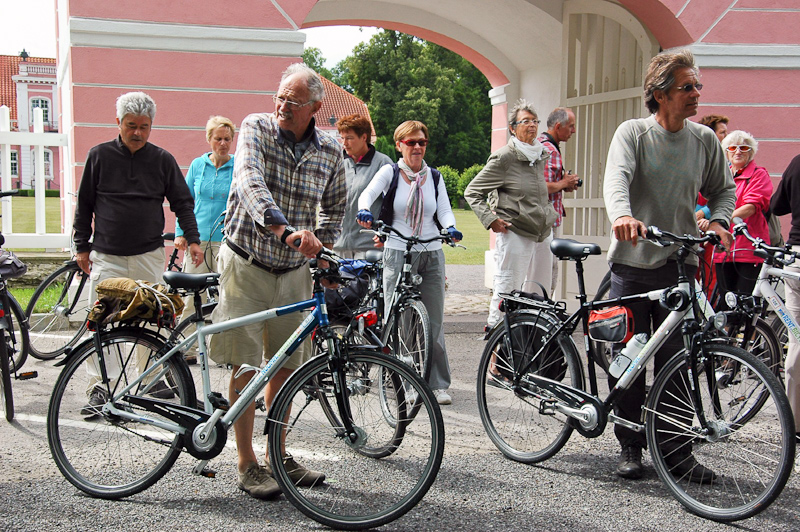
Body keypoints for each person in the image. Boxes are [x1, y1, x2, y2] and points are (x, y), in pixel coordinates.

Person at [208, 63, 346, 500]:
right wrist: (285, 231)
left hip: (293, 273)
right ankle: (247, 461)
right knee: (246, 364)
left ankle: (278, 454)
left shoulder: (330, 148)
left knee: (286, 367)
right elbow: (249, 183)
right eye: (280, 96)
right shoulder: (256, 128)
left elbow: (337, 205)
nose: (283, 105)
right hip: (247, 261)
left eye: (293, 100)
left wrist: (319, 245)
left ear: (315, 107)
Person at [603, 49, 735, 481]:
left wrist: (719, 221)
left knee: (679, 361)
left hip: (680, 265)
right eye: (686, 87)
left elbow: (723, 190)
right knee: (631, 359)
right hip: (633, 263)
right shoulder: (633, 133)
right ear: (659, 94)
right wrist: (621, 215)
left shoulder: (704, 140)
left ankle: (676, 452)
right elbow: (616, 178)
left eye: (698, 85)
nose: (696, 93)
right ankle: (629, 446)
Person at [73, 91, 203, 414]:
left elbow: (182, 202)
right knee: (102, 322)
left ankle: (150, 380)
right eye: (131, 125)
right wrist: (81, 245)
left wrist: (194, 239)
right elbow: (84, 204)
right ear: (117, 122)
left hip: (147, 255)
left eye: (144, 127)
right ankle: (100, 388)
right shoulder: (98, 156)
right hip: (107, 255)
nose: (137, 133)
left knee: (154, 320)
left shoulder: (162, 160)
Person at [356, 120, 462, 406]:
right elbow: (367, 194)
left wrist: (450, 228)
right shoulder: (389, 173)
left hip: (430, 252)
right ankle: (406, 381)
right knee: (401, 321)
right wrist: (364, 210)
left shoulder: (434, 177)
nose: (417, 147)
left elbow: (444, 210)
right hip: (397, 251)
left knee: (434, 320)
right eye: (411, 142)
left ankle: (437, 383)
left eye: (422, 142)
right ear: (399, 144)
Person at [464, 99, 558, 328]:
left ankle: (530, 346)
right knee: (507, 292)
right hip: (516, 232)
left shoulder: (539, 155)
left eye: (535, 121)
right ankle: (496, 350)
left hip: (542, 234)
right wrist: (491, 220)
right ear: (512, 128)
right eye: (525, 121)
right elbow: (472, 192)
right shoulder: (505, 156)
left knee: (538, 294)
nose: (532, 126)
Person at [174, 115, 236, 363]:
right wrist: (182, 234)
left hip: (226, 241)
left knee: (226, 298)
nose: (223, 143)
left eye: (227, 139)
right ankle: (187, 350)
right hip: (197, 241)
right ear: (209, 139)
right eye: (218, 138)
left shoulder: (237, 166)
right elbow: (185, 202)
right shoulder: (198, 166)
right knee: (192, 298)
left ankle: (222, 352)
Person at [707, 131, 772, 307]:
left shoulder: (758, 174)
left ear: (750, 152)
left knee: (744, 304)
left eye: (743, 147)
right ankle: (727, 334)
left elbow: (752, 206)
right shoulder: (721, 175)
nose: (738, 151)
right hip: (723, 249)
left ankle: (748, 334)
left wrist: (721, 219)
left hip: (748, 249)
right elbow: (705, 201)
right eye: (732, 148)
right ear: (726, 152)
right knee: (725, 303)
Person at [769, 153, 800, 441]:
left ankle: (795, 425)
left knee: (797, 338)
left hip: (797, 258)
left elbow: (777, 206)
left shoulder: (796, 163)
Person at [333, 114, 393, 259]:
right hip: (337, 246)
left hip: (369, 248)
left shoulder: (383, 164)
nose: (344, 143)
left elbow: (391, 205)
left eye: (349, 138)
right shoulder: (337, 163)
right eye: (342, 138)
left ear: (364, 137)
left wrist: (384, 234)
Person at [538, 107, 582, 292]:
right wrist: (564, 182)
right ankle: (545, 308)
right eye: (571, 126)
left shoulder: (541, 144)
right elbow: (542, 187)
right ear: (558, 126)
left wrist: (564, 183)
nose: (573, 131)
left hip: (540, 219)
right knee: (549, 268)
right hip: (547, 220)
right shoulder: (550, 150)